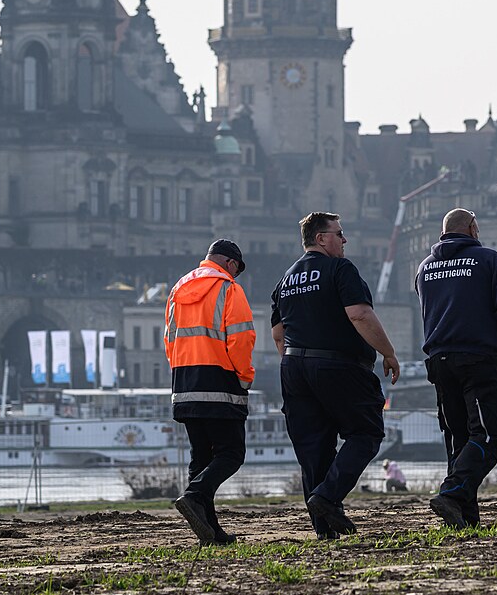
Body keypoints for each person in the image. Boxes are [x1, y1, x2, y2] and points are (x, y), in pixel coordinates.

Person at [272, 212, 401, 539]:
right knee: (365, 432)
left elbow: (277, 333)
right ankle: (328, 497)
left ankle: (323, 529)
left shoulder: (285, 280)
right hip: (337, 365)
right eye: (339, 234)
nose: (344, 240)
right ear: (320, 238)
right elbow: (359, 314)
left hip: (293, 366)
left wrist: (297, 363)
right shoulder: (339, 269)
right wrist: (388, 352)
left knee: (314, 447)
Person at [415, 208, 497, 528]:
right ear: (473, 228)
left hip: (439, 361)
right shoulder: (489, 260)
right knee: (488, 436)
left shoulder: (425, 267)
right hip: (478, 359)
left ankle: (463, 517)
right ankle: (451, 493)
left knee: (458, 439)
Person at [164, 238, 256, 545]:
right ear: (230, 263)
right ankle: (194, 495)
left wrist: (181, 372)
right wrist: (244, 377)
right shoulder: (229, 289)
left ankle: (211, 531)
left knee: (201, 457)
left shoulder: (178, 289)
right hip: (221, 382)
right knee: (232, 453)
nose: (236, 275)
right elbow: (241, 340)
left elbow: (170, 340)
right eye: (237, 270)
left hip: (185, 382)